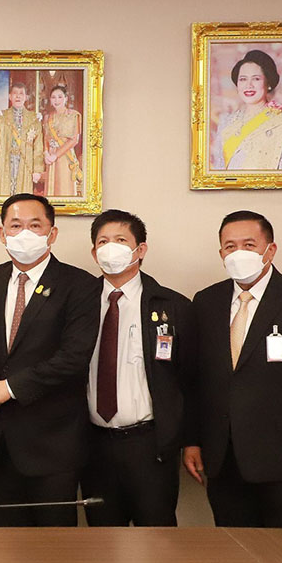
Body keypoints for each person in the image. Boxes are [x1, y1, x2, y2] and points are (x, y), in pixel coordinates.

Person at [184, 210, 282, 529]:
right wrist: (193, 441)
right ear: (221, 253)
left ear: (270, 250)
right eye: (230, 246)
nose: (238, 253)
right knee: (232, 548)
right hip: (223, 458)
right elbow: (196, 379)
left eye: (249, 245)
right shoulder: (205, 302)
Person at [0, 193, 100, 526]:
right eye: (15, 226)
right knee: (5, 546)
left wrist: (12, 387)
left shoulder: (80, 285)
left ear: (51, 233)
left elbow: (74, 357)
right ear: (2, 233)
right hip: (1, 445)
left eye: (35, 225)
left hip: (54, 445)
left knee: (53, 549)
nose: (24, 233)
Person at [84, 210, 196, 527]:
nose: (111, 248)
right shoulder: (78, 303)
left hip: (150, 445)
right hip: (93, 444)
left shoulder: (172, 306)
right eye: (103, 242)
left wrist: (189, 439)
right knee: (102, 540)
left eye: (121, 240)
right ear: (93, 253)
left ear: (140, 249)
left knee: (157, 538)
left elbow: (191, 380)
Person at [211, 49, 282, 171]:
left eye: (256, 79)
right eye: (243, 79)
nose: (249, 85)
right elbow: (218, 172)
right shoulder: (226, 122)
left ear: (268, 83)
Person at [0, 80, 44, 197]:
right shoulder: (0, 117)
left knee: (23, 197)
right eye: (15, 93)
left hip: (25, 163)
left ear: (26, 97)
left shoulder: (34, 119)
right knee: (3, 196)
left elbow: (38, 146)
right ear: (10, 96)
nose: (18, 96)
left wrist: (37, 170)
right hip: (4, 161)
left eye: (21, 93)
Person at [42, 84, 83, 197]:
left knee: (64, 188)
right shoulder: (48, 117)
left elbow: (74, 140)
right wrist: (46, 154)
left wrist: (56, 155)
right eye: (53, 97)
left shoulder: (73, 115)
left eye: (60, 97)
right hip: (51, 157)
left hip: (65, 156)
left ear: (66, 98)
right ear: (50, 100)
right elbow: (45, 138)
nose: (57, 100)